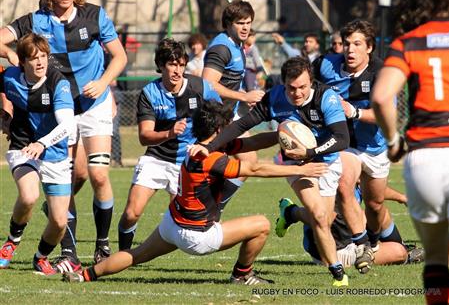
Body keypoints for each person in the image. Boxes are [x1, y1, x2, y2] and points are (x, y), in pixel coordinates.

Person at [62, 99, 329, 284]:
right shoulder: (209, 158)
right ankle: (242, 275)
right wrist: (304, 170)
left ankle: (84, 275)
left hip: (172, 224)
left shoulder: (202, 146)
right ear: (218, 129)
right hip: (197, 236)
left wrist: (282, 133)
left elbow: (250, 142)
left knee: (137, 255)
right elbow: (256, 169)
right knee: (261, 224)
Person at [0, 0, 127, 269]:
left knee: (97, 175)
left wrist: (104, 82)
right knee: (73, 176)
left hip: (93, 103)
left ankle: (102, 246)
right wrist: (11, 53)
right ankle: (67, 250)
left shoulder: (95, 15)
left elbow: (119, 57)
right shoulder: (35, 21)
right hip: (58, 111)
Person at [190, 56, 351, 286]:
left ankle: (291, 213)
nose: (297, 93)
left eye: (303, 87)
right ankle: (338, 275)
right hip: (295, 164)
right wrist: (210, 146)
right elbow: (242, 124)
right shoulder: (275, 97)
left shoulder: (327, 98)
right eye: (292, 88)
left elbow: (342, 138)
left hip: (327, 161)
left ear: (312, 82)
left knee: (324, 219)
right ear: (283, 83)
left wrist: (311, 151)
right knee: (320, 216)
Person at [372, 0, 449, 303]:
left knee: (435, 257)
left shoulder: (408, 42)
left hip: (425, 159)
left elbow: (381, 98)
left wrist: (393, 141)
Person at [117, 38, 221, 250]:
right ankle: (124, 254)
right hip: (156, 158)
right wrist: (169, 133)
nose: (178, 70)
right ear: (161, 65)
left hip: (186, 164)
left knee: (186, 225)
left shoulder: (199, 86)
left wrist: (208, 143)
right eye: (172, 64)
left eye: (181, 65)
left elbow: (220, 116)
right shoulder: (150, 93)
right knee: (131, 213)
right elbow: (144, 136)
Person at [316, 19, 400, 274]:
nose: (350, 50)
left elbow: (386, 115)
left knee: (374, 205)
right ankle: (361, 244)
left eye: (357, 44)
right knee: (344, 185)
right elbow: (304, 86)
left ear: (370, 47)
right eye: (346, 44)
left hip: (373, 147)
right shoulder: (324, 65)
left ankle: (373, 240)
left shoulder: (381, 73)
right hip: (344, 145)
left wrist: (353, 111)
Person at [0, 33, 75, 275]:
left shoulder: (58, 83)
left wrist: (42, 144)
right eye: (34, 58)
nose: (41, 62)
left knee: (60, 222)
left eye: (43, 56)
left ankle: (41, 257)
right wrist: (3, 115)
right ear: (22, 62)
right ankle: (12, 241)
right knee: (29, 195)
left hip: (54, 153)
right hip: (23, 148)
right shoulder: (10, 77)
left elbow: (67, 125)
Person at [202, 0, 264, 212]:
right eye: (240, 23)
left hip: (230, 115)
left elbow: (228, 81)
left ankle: (215, 206)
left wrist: (243, 96)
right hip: (213, 117)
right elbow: (208, 84)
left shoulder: (238, 46)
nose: (246, 27)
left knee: (249, 163)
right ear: (228, 24)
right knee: (204, 168)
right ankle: (205, 208)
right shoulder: (222, 47)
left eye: (248, 22)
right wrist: (243, 97)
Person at [278, 185, 423, 268]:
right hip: (334, 251)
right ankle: (406, 256)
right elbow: (322, 218)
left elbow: (374, 189)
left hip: (348, 236)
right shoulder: (334, 184)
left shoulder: (350, 172)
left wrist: (402, 198)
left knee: (379, 211)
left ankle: (290, 212)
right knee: (398, 252)